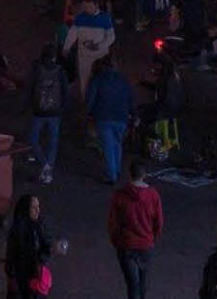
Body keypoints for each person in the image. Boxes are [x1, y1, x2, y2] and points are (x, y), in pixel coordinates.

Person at [110, 158, 166, 299]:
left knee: (132, 284)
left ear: (129, 174)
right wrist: (152, 238)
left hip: (126, 245)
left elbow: (113, 223)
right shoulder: (153, 195)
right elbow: (159, 222)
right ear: (144, 175)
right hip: (146, 245)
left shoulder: (119, 196)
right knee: (142, 281)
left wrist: (117, 242)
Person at [6, 192, 66, 299]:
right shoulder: (18, 232)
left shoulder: (38, 225)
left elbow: (43, 245)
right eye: (34, 207)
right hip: (24, 278)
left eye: (38, 207)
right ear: (26, 209)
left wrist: (51, 248)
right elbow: (12, 258)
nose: (38, 210)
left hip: (35, 277)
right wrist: (12, 279)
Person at [89, 55, 137, 184]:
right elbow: (131, 99)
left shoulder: (98, 79)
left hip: (103, 116)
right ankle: (117, 170)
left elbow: (91, 99)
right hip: (121, 117)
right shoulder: (124, 80)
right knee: (117, 144)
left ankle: (112, 175)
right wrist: (133, 115)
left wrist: (89, 114)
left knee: (107, 146)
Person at [28, 47, 69, 184]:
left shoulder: (37, 69)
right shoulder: (60, 71)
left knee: (33, 139)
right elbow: (65, 91)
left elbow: (30, 87)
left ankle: (43, 163)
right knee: (53, 141)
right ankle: (48, 170)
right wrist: (62, 108)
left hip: (38, 111)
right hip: (55, 112)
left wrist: (29, 105)